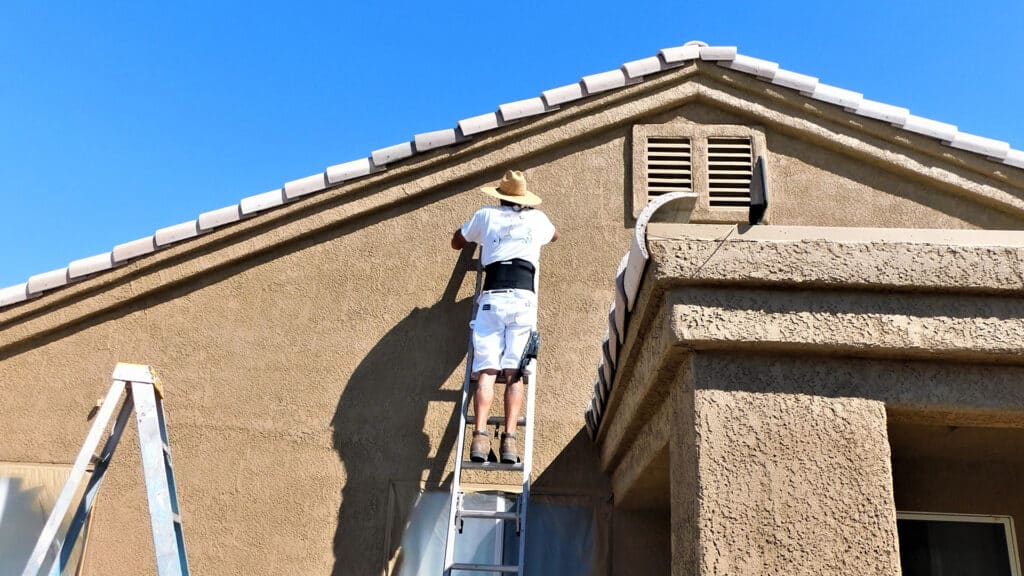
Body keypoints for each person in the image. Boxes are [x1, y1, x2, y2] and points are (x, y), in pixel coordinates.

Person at [451, 170, 559, 463]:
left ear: (500, 197)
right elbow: (555, 235)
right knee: (515, 373)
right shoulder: (537, 219)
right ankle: (510, 440)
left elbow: (457, 242)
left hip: (492, 299)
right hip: (524, 300)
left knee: (486, 372)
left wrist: (486, 237)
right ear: (524, 199)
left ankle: (480, 438)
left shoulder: (486, 215)